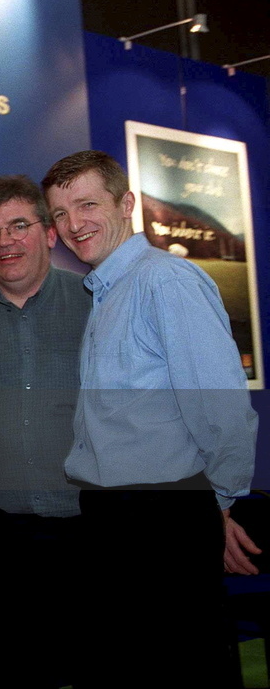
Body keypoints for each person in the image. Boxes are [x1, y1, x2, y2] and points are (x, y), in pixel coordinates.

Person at [42, 150, 259, 687]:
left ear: (127, 203)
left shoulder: (165, 282)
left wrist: (219, 505)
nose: (74, 224)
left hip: (162, 524)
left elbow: (223, 409)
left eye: (87, 205)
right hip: (117, 521)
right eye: (61, 213)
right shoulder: (110, 291)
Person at [0, 175, 90, 687]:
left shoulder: (95, 303)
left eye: (19, 225)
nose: (5, 241)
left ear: (49, 234)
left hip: (88, 534)